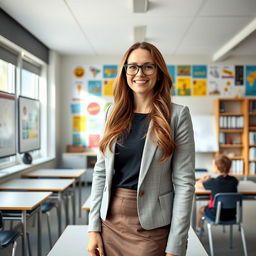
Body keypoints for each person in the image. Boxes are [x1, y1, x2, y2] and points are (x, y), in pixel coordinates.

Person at [87, 42, 195, 256]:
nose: (140, 73)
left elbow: (185, 183)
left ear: (159, 72)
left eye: (148, 66)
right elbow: (100, 172)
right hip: (109, 223)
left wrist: (176, 244)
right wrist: (93, 228)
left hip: (151, 225)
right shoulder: (112, 113)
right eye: (133, 66)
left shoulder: (177, 116)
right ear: (125, 71)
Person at [196, 154, 239, 232]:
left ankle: (199, 229)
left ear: (217, 167)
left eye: (213, 165)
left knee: (200, 210)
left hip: (216, 215)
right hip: (232, 215)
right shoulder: (234, 181)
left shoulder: (213, 182)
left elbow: (197, 185)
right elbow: (236, 180)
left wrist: (203, 179)